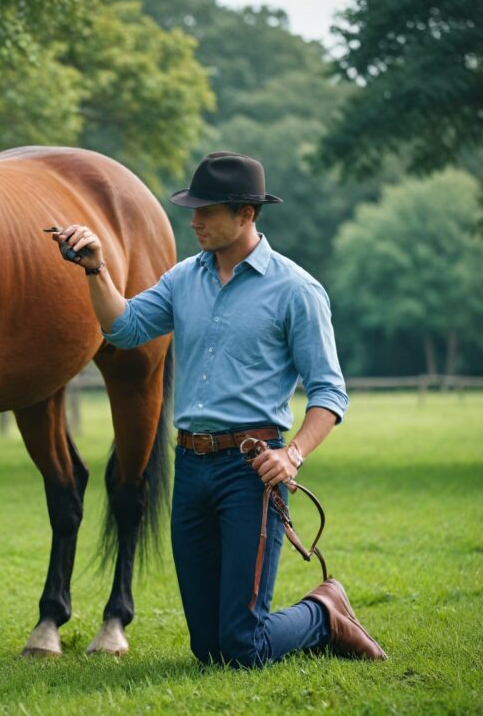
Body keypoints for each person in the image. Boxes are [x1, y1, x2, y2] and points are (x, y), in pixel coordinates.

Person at [53, 151, 386, 667]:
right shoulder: (183, 279)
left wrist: (292, 455)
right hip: (190, 468)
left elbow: (329, 392)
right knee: (209, 650)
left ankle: (324, 613)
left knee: (243, 647)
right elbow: (124, 327)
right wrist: (95, 268)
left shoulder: (296, 290)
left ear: (246, 214)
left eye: (207, 211)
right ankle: (312, 618)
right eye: (194, 210)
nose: (195, 222)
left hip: (250, 472)